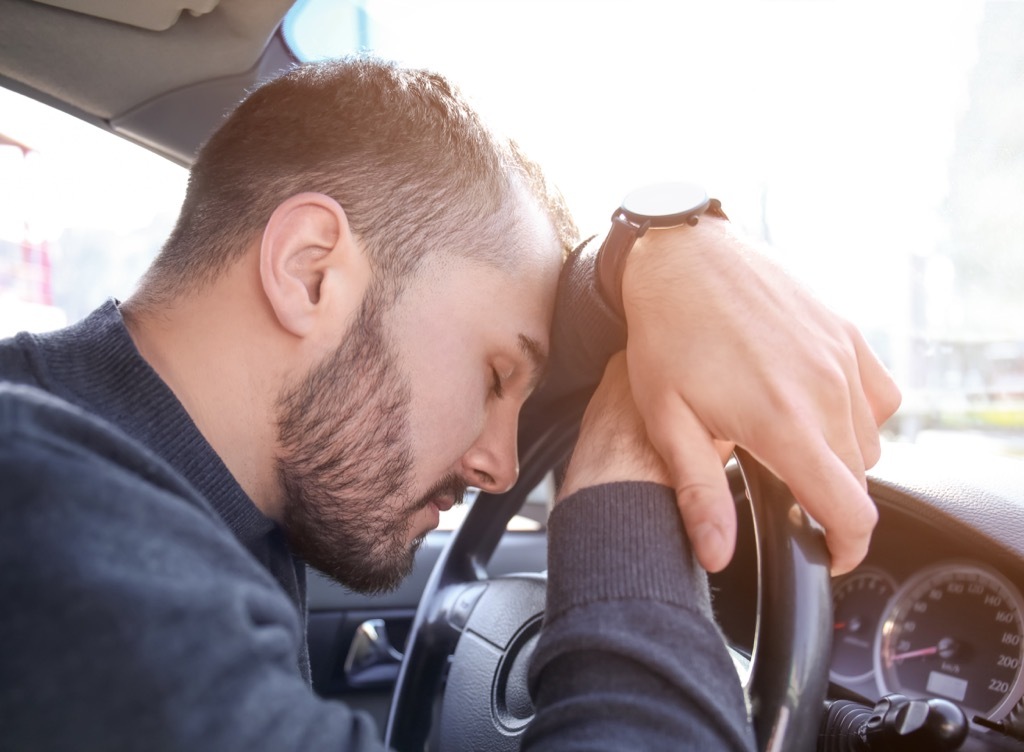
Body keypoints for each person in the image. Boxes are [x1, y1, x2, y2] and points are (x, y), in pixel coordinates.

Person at [0, 56, 899, 750]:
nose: (502, 465)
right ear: (311, 272)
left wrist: (659, 247)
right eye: (498, 378)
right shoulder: (51, 533)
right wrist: (626, 477)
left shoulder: (174, 495)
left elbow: (543, 303)